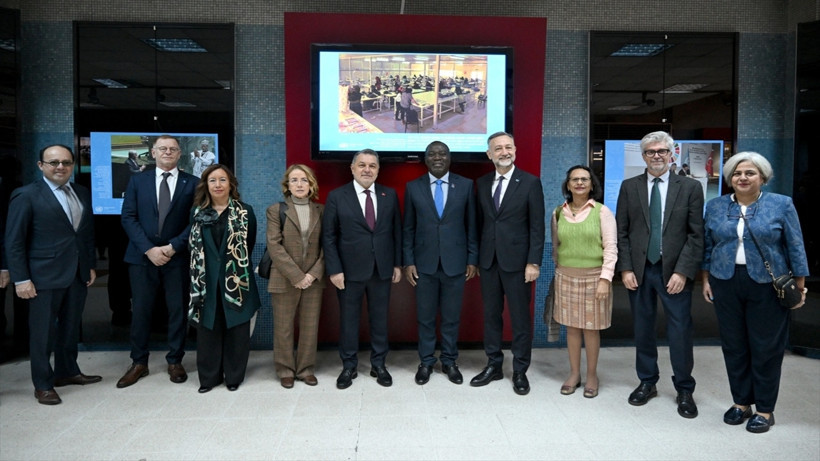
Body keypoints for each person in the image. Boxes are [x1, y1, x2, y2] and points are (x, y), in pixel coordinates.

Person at [701, 152, 808, 433]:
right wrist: (705, 278)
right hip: (725, 280)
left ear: (762, 177)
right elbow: (708, 246)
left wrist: (799, 284)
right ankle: (741, 403)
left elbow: (795, 245)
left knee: (766, 348)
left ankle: (764, 409)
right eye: (737, 174)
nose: (743, 178)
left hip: (768, 285)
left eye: (749, 173)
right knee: (734, 346)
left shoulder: (781, 204)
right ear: (729, 179)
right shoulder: (715, 206)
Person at [615, 131, 704, 418]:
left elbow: (695, 235)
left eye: (661, 151)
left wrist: (683, 272)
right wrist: (626, 267)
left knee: (680, 331)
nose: (656, 156)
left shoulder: (690, 187)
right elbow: (622, 231)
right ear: (643, 156)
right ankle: (647, 382)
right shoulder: (630, 187)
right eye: (651, 152)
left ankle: (684, 388)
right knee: (643, 328)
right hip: (640, 271)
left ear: (672, 154)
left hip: (674, 272)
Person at [5, 145, 101, 405]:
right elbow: (14, 241)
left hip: (77, 274)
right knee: (43, 333)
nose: (61, 167)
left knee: (70, 328)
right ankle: (43, 384)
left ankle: (67, 372)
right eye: (54, 162)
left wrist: (89, 264)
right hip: (42, 277)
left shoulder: (81, 192)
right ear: (41, 166)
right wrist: (21, 278)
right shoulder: (26, 195)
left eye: (66, 162)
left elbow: (84, 233)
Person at [117, 135, 198, 388]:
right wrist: (149, 249)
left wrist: (173, 246)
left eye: (173, 149)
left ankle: (175, 360)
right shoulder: (137, 181)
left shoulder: (193, 183)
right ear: (153, 153)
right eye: (162, 148)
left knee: (177, 311)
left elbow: (196, 220)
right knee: (141, 311)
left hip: (177, 258)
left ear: (179, 154)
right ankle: (139, 362)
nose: (167, 152)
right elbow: (128, 217)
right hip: (142, 258)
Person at [471, 131, 545, 395]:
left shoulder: (529, 182)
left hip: (519, 264)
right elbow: (477, 224)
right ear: (489, 154)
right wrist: (475, 258)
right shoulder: (480, 183)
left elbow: (537, 227)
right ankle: (493, 365)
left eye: (508, 147)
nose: (504, 152)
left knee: (520, 319)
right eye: (498, 148)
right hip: (488, 262)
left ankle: (520, 370)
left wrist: (533, 262)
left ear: (515, 150)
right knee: (491, 316)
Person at [322, 148, 402, 389]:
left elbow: (396, 232)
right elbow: (329, 236)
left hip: (382, 269)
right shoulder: (337, 196)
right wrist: (334, 270)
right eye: (362, 165)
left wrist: (397, 263)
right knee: (348, 320)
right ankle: (349, 366)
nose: (367, 170)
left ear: (378, 170)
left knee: (380, 320)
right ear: (353, 168)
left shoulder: (390, 194)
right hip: (348, 272)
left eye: (372, 166)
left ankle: (379, 364)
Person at [403, 141, 478, 385]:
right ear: (425, 159)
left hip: (456, 264)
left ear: (449, 158)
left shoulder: (466, 185)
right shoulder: (413, 187)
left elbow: (472, 226)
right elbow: (408, 229)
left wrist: (472, 259)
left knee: (451, 317)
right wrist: (408, 262)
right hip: (423, 265)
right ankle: (426, 362)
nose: (437, 157)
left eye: (442, 153)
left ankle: (449, 361)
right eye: (432, 154)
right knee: (424, 317)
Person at [189, 164, 261, 393]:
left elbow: (247, 247)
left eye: (222, 180)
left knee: (237, 330)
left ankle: (233, 377)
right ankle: (209, 378)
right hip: (205, 282)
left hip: (236, 280)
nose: (218, 185)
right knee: (208, 329)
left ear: (231, 184)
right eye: (212, 181)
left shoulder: (245, 211)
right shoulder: (197, 212)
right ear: (206, 185)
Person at [552, 165, 616, 399]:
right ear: (568, 185)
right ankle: (573, 374)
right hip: (566, 277)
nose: (579, 183)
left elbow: (611, 248)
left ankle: (591, 376)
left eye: (584, 179)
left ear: (591, 184)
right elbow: (557, 248)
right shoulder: (558, 212)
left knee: (591, 330)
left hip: (594, 278)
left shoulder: (602, 212)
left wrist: (605, 279)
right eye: (574, 179)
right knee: (571, 328)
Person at [267, 164, 325, 388]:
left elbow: (326, 246)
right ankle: (285, 370)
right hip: (284, 278)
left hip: (313, 279)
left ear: (311, 185)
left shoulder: (321, 210)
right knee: (283, 327)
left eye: (304, 180)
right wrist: (296, 275)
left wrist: (312, 274)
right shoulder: (276, 210)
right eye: (294, 180)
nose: (299, 184)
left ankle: (306, 369)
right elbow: (274, 245)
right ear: (287, 185)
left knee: (310, 326)